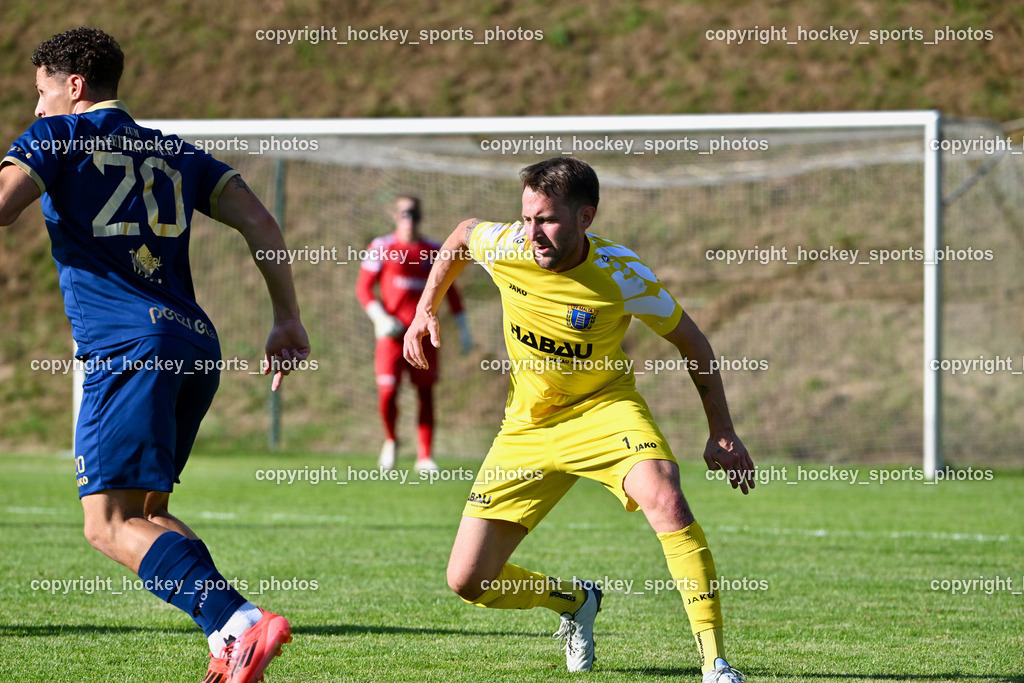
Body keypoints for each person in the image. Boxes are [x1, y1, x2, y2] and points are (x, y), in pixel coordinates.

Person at [0, 28, 310, 683]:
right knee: (146, 512)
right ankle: (228, 638)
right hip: (195, 343)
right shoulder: (177, 154)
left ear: (74, 86)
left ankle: (237, 620)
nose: (35, 109)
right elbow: (262, 223)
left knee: (107, 523)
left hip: (127, 349)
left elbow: (4, 207)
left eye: (41, 92)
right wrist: (285, 316)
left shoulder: (58, 139)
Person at [404, 157, 754, 682]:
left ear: (585, 217)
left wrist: (721, 430)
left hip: (604, 411)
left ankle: (715, 664)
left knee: (667, 498)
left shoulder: (623, 274)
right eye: (525, 218)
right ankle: (574, 601)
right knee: (468, 580)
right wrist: (424, 308)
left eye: (545, 219)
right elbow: (460, 235)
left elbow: (693, 343)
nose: (532, 233)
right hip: (527, 428)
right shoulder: (509, 247)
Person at [357, 195, 473, 471]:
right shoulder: (381, 247)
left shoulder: (433, 250)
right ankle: (391, 440)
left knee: (425, 392)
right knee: (387, 392)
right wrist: (380, 318)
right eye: (403, 213)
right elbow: (363, 288)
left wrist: (463, 327)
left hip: (422, 337)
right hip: (391, 337)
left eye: (414, 213)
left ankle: (424, 456)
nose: (409, 219)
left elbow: (452, 292)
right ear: (395, 216)